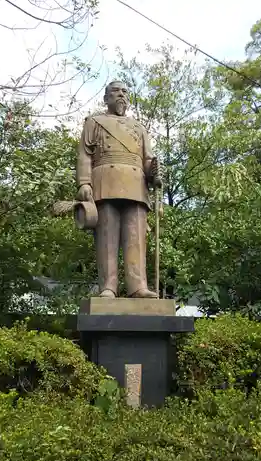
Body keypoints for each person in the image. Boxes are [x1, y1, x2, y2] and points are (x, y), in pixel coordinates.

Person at [76, 80, 162, 298]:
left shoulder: (139, 128)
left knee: (136, 237)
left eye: (124, 92)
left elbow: (146, 159)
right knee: (107, 235)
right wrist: (84, 182)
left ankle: (138, 286)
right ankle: (108, 287)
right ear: (106, 98)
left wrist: (153, 172)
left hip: (135, 184)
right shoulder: (94, 122)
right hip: (105, 180)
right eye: (115, 91)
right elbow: (84, 155)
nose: (121, 95)